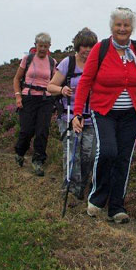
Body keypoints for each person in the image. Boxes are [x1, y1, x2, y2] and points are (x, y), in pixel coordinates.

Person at [72, 7, 136, 224]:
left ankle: (116, 207)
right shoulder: (100, 49)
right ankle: (97, 198)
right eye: (118, 25)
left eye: (126, 25)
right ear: (112, 27)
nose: (122, 28)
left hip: (131, 113)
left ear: (132, 28)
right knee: (107, 152)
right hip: (103, 111)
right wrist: (77, 112)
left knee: (123, 158)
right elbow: (85, 81)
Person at [48, 28, 98, 203]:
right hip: (69, 116)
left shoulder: (98, 63)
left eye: (91, 46)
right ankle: (70, 190)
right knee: (72, 154)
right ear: (78, 46)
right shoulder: (67, 63)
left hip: (92, 118)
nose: (87, 50)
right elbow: (50, 86)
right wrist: (62, 89)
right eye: (84, 46)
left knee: (89, 155)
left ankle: (81, 186)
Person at [13, 32, 57, 176]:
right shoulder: (27, 59)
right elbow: (16, 79)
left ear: (49, 46)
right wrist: (18, 97)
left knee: (42, 131)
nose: (43, 49)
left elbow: (55, 82)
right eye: (40, 46)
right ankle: (20, 152)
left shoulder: (52, 62)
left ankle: (38, 161)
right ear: (35, 45)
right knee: (26, 130)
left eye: (46, 46)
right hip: (28, 98)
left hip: (46, 100)